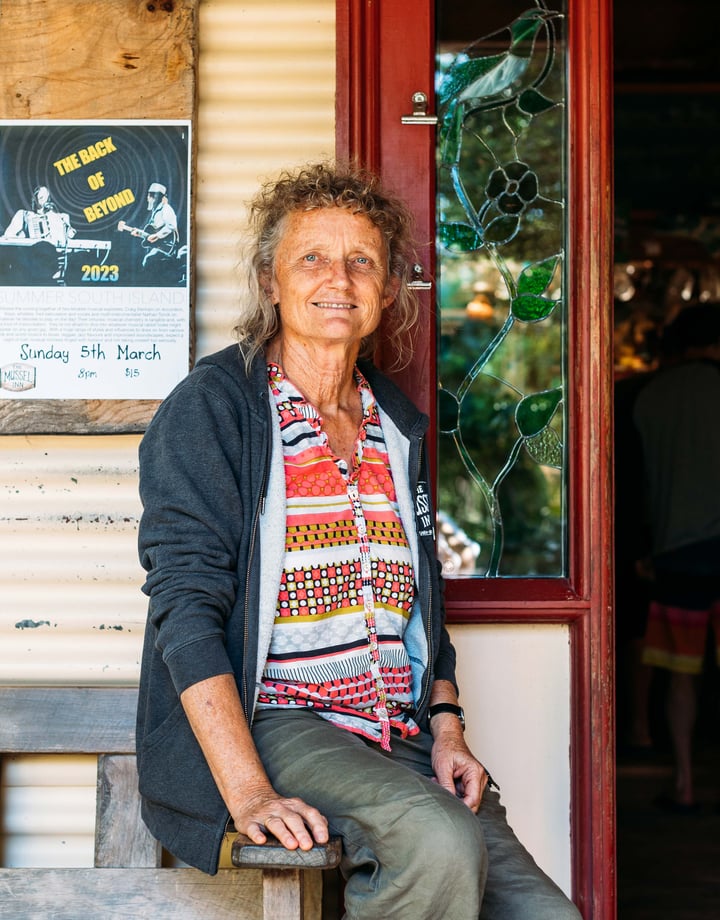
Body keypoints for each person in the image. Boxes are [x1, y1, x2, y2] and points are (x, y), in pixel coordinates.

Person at [136, 162, 582, 919]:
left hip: (390, 724)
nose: (337, 277)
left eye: (362, 261)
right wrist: (247, 789)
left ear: (383, 291)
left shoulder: (395, 423)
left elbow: (417, 604)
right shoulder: (216, 408)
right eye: (312, 257)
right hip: (275, 716)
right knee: (438, 843)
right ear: (270, 281)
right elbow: (185, 608)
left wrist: (446, 728)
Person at [633, 302, 720, 811]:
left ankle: (684, 779)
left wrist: (645, 549)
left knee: (681, 673)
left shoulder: (651, 395)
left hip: (676, 550)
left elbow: (636, 484)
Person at [2, 185, 77, 281]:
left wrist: (60, 220)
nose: (44, 199)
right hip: (34, 263)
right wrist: (24, 239)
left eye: (46, 197)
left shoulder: (61, 216)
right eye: (40, 197)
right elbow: (8, 237)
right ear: (34, 199)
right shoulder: (24, 215)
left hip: (55, 266)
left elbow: (70, 237)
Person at [132, 181, 179, 271]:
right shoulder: (156, 211)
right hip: (157, 248)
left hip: (167, 249)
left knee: (147, 261)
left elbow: (171, 226)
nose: (147, 198)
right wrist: (140, 233)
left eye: (149, 195)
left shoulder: (166, 208)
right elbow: (151, 233)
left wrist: (157, 236)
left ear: (155, 197)